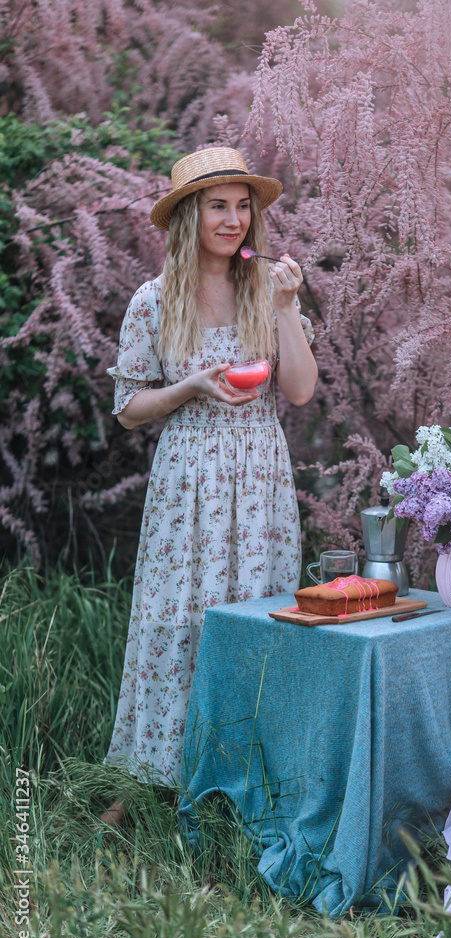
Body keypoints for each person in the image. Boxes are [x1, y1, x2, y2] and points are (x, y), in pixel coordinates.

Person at [100, 147, 317, 825]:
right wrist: (188, 388)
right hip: (186, 481)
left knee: (254, 619)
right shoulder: (154, 300)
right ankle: (149, 783)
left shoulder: (264, 288)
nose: (232, 219)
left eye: (242, 205)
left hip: (258, 483)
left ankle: (243, 786)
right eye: (216, 205)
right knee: (175, 625)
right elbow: (128, 407)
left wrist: (285, 307)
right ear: (190, 217)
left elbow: (301, 390)